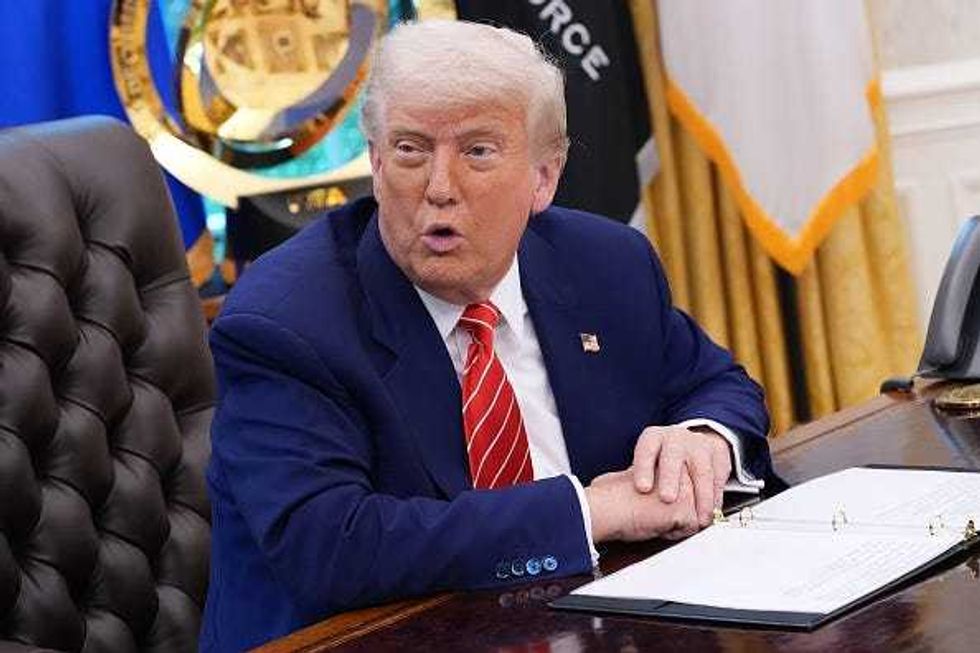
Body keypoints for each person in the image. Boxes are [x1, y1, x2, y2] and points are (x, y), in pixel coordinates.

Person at [200, 19, 772, 652]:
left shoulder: (606, 264)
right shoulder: (286, 321)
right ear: (376, 160)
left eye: (477, 151)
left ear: (543, 179)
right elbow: (332, 545)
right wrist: (591, 512)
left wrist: (699, 442)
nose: (439, 189)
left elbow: (717, 383)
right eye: (412, 149)